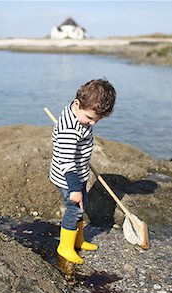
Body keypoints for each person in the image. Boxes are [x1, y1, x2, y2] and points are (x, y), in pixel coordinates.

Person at [49, 79, 116, 264]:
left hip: (78, 174)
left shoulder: (78, 112)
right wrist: (74, 189)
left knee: (82, 205)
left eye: (97, 120)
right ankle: (65, 246)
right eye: (89, 118)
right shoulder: (68, 130)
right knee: (74, 210)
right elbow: (67, 162)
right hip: (67, 177)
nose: (92, 123)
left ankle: (78, 240)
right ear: (77, 104)